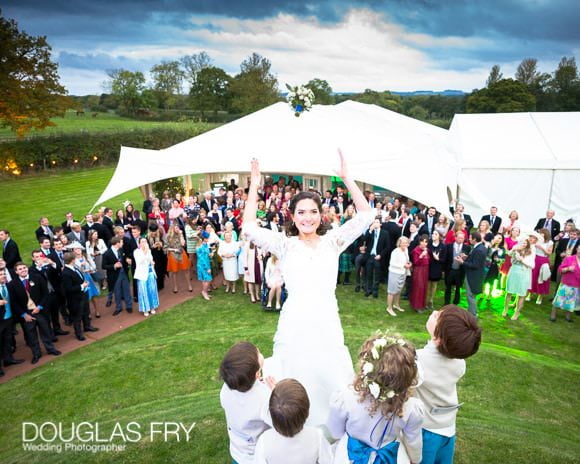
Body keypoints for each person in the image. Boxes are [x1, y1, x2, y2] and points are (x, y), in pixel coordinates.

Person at [243, 151, 373, 426]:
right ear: (293, 215)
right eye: (301, 212)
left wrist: (347, 179)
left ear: (321, 214)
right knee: (295, 373)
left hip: (326, 319)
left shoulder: (333, 242)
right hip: (296, 322)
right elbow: (250, 228)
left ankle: (331, 425)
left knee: (329, 375)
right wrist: (255, 185)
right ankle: (294, 423)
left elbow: (365, 215)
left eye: (313, 212)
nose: (307, 218)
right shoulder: (285, 245)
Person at [327, 333, 424, 464]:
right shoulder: (411, 407)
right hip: (391, 458)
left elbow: (336, 432)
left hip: (349, 457)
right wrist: (415, 460)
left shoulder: (346, 399)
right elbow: (413, 440)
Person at [416, 305, 482, 464]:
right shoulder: (460, 364)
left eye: (437, 316)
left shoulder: (417, 361)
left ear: (438, 338)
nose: (433, 313)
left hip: (425, 430)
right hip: (448, 428)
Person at [254, 378, 332, 464]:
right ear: (307, 413)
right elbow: (327, 460)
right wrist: (279, 396)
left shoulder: (264, 442)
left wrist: (278, 397)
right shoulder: (317, 436)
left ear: (271, 415)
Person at [219, 342, 273, 464]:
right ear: (257, 373)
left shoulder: (226, 388)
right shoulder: (265, 398)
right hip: (256, 456)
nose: (259, 352)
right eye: (258, 352)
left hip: (237, 450)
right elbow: (279, 422)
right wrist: (276, 392)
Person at [7, 262, 61, 363]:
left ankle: (51, 349)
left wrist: (40, 307)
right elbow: (13, 303)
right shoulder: (12, 284)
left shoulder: (37, 277)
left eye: (24, 268)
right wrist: (23, 314)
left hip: (39, 310)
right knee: (31, 335)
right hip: (26, 314)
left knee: (45, 330)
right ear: (16, 272)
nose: (23, 270)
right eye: (20, 269)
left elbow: (45, 293)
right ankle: (36, 353)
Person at [61, 253, 99, 341]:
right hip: (75, 298)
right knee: (77, 316)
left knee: (86, 311)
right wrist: (82, 285)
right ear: (72, 260)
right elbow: (68, 288)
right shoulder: (66, 273)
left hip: (83, 294)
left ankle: (87, 326)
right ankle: (78, 333)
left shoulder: (75, 267)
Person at [503, 236, 535, 320]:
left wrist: (522, 260)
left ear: (528, 244)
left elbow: (532, 265)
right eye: (522, 242)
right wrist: (514, 249)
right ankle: (505, 309)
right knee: (509, 291)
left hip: (523, 273)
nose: (524, 244)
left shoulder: (530, 252)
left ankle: (517, 312)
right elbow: (509, 254)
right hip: (514, 270)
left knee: (521, 294)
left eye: (525, 242)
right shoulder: (516, 248)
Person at [0, 269, 25, 376]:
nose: (3, 276)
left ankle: (8, 359)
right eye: (1, 274)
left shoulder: (9, 286)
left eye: (4, 274)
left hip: (10, 318)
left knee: (8, 340)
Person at [456, 232, 487, 318]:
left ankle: (473, 315)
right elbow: (475, 260)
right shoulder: (480, 247)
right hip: (475, 276)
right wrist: (466, 257)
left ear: (474, 239)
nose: (469, 239)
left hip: (473, 276)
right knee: (471, 295)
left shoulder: (479, 250)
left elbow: (475, 265)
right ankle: (471, 312)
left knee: (470, 296)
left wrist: (462, 262)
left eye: (470, 238)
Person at [102, 236, 133, 316]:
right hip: (114, 276)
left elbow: (123, 258)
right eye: (121, 242)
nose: (122, 243)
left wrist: (127, 260)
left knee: (126, 289)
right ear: (117, 244)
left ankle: (129, 306)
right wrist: (114, 266)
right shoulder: (107, 254)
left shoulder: (121, 250)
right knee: (117, 292)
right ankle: (118, 308)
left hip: (124, 273)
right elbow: (103, 266)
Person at [550, 245, 580, 322]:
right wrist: (568, 268)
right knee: (558, 299)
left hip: (576, 285)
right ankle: (553, 315)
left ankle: (568, 317)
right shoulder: (569, 259)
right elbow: (560, 269)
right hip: (566, 283)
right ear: (577, 249)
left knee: (571, 301)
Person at [71, 243, 100, 319]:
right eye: (76, 249)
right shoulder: (73, 259)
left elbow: (93, 266)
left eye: (79, 248)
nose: (78, 250)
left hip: (88, 277)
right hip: (81, 279)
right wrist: (81, 266)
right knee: (86, 297)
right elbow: (74, 270)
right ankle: (88, 312)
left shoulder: (86, 256)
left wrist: (89, 269)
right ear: (73, 251)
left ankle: (97, 310)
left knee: (93, 295)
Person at [363, 217, 391, 298]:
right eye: (374, 222)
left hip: (378, 256)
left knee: (377, 275)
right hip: (370, 256)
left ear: (380, 224)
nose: (375, 223)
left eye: (377, 222)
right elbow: (364, 239)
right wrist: (370, 230)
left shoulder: (385, 233)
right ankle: (369, 290)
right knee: (369, 273)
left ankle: (375, 291)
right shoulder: (370, 232)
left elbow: (387, 247)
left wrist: (381, 255)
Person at [386, 236, 411, 317]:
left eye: (406, 243)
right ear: (399, 243)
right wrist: (403, 265)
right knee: (392, 291)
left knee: (399, 290)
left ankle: (396, 305)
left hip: (403, 273)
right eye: (403, 243)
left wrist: (409, 263)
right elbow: (392, 263)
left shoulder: (406, 250)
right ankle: (389, 308)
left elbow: (406, 260)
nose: (405, 244)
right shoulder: (395, 252)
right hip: (394, 273)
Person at [443, 232, 470, 306]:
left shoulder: (467, 248)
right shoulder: (449, 246)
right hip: (450, 270)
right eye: (459, 238)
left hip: (460, 271)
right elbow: (445, 259)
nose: (461, 239)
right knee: (448, 287)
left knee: (458, 288)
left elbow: (468, 260)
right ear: (455, 238)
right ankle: (446, 303)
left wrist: (465, 258)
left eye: (462, 238)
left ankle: (456, 303)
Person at [134, 237, 159, 317]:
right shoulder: (136, 252)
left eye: (145, 241)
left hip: (150, 272)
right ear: (139, 243)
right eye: (142, 242)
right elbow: (139, 262)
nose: (144, 243)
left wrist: (152, 263)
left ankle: (152, 307)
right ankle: (145, 309)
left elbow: (150, 260)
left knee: (151, 290)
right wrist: (145, 251)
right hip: (141, 275)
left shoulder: (149, 251)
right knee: (144, 291)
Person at [527, 229, 553, 305]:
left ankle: (540, 296)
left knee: (541, 277)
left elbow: (549, 253)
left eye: (542, 233)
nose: (540, 234)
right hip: (535, 259)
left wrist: (541, 247)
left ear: (545, 234)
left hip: (543, 260)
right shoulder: (536, 240)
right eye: (540, 233)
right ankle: (529, 294)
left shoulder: (550, 242)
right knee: (532, 277)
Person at [164, 223, 192, 294]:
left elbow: (183, 244)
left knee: (186, 270)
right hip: (173, 254)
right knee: (174, 272)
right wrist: (174, 250)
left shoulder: (180, 235)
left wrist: (181, 235)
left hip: (181, 253)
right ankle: (175, 287)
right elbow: (165, 248)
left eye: (178, 228)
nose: (178, 229)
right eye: (176, 228)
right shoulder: (168, 236)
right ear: (172, 229)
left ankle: (189, 285)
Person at [410, 235, 431, 312]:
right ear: (419, 242)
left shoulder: (427, 250)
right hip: (419, 270)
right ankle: (416, 306)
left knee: (424, 287)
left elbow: (428, 260)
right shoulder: (416, 250)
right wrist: (421, 255)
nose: (424, 243)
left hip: (425, 270)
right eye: (422, 241)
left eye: (426, 242)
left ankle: (422, 304)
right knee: (418, 287)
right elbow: (415, 262)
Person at [427, 230, 446, 310]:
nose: (433, 235)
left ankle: (431, 300)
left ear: (439, 236)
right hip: (428, 266)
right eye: (433, 234)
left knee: (434, 284)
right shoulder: (429, 244)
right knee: (427, 284)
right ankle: (426, 299)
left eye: (435, 234)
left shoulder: (442, 246)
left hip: (437, 267)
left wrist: (438, 258)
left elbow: (444, 259)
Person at [483, 234, 505, 300]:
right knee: (484, 280)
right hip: (486, 265)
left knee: (491, 282)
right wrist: (490, 246)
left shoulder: (502, 249)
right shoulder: (488, 245)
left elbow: (503, 259)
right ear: (494, 237)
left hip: (494, 267)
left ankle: (489, 294)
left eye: (500, 238)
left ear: (502, 240)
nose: (498, 239)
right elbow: (484, 253)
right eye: (497, 237)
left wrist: (499, 260)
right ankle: (483, 292)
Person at [147, 224, 167, 291]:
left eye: (155, 231)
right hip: (151, 258)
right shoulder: (147, 239)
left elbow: (164, 246)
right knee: (153, 271)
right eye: (152, 231)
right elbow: (146, 250)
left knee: (160, 271)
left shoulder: (159, 236)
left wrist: (162, 245)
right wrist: (152, 247)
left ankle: (160, 285)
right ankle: (154, 285)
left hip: (159, 257)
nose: (154, 233)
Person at [196, 231, 213, 300]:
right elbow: (201, 259)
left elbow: (206, 254)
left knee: (205, 279)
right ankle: (204, 292)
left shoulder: (205, 244)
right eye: (207, 238)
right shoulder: (200, 247)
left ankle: (205, 292)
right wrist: (207, 268)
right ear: (204, 239)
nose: (208, 239)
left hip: (206, 263)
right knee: (208, 279)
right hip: (202, 265)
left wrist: (210, 255)